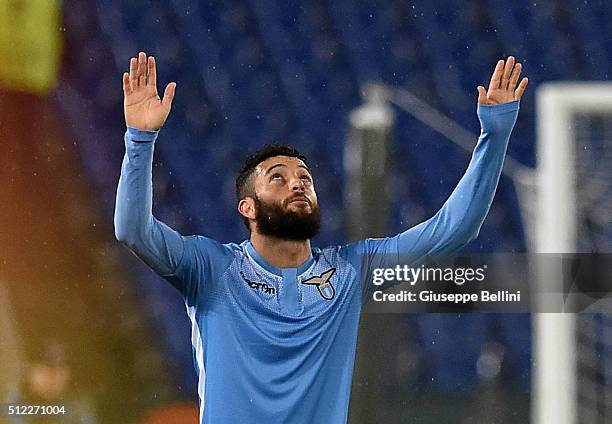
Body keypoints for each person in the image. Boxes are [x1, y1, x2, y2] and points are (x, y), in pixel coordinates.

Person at [114, 51, 528, 424]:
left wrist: (494, 135)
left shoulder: (349, 272)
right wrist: (140, 139)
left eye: (305, 179)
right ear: (248, 208)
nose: (297, 185)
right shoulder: (211, 268)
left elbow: (454, 229)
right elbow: (133, 229)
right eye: (278, 178)